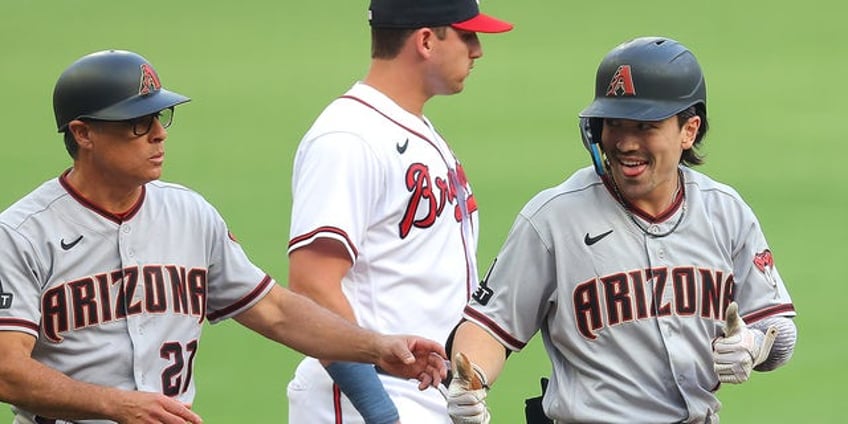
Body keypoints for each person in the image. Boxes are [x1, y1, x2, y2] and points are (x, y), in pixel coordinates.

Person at [0, 49, 448, 424]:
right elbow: (7, 370)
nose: (158, 135)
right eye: (137, 123)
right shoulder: (21, 235)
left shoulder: (189, 214)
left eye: (160, 117)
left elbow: (275, 310)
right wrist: (113, 404)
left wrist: (377, 347)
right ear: (83, 134)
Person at [445, 36, 798, 423]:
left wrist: (755, 344)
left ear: (689, 130)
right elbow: (489, 326)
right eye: (614, 123)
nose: (626, 143)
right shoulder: (553, 218)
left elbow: (776, 323)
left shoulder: (725, 212)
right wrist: (471, 381)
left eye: (646, 126)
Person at [284, 0, 512, 422]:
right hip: (366, 402)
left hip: (420, 398)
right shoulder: (348, 138)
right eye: (466, 35)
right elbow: (312, 287)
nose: (477, 49)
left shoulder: (412, 129)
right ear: (426, 40)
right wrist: (379, 411)